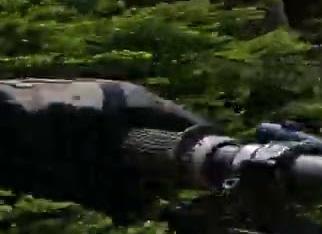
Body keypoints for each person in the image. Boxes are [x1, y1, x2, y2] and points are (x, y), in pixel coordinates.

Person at [0, 77, 209, 221]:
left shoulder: (20, 124)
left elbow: (65, 179)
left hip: (117, 110)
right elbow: (62, 183)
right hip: (109, 118)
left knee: (216, 152)